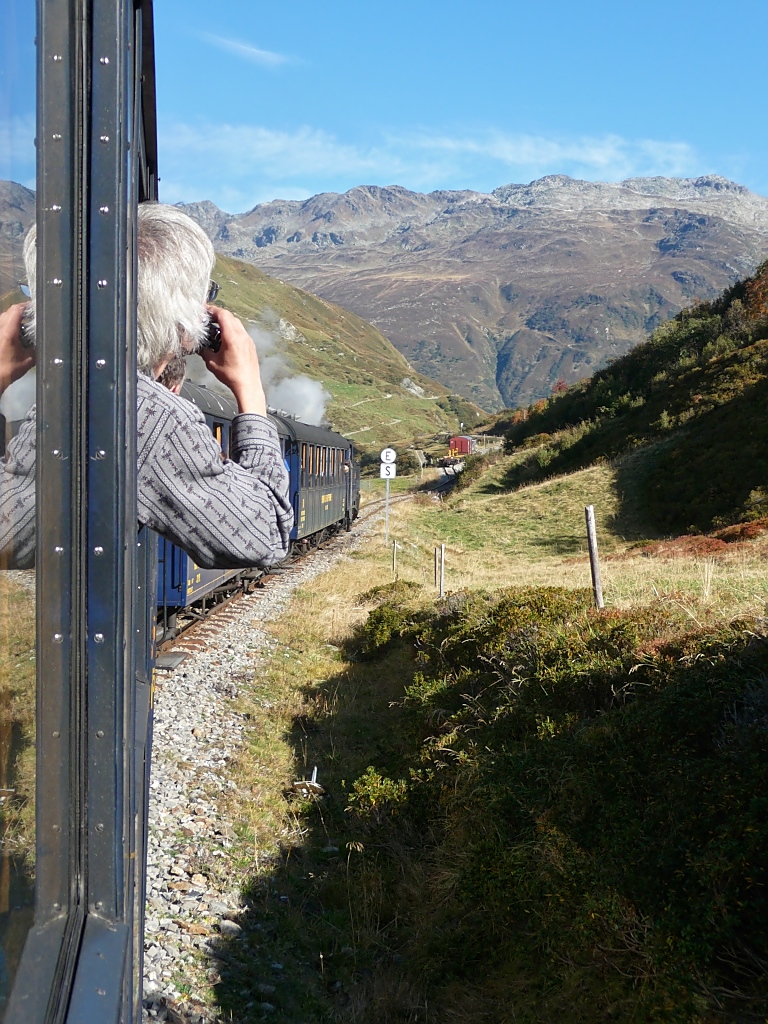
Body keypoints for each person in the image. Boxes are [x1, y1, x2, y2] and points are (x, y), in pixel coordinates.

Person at [0, 203, 293, 570]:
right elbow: (265, 534)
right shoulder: (150, 418)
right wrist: (251, 392)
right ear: (188, 322)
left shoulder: (56, 407)